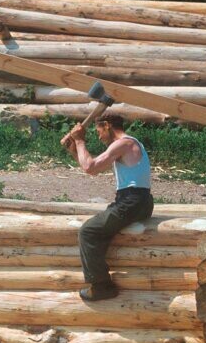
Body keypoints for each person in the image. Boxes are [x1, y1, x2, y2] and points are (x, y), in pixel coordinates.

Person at [61, 113, 153, 301]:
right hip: (137, 200)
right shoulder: (128, 144)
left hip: (132, 200)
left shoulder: (123, 143)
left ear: (107, 126)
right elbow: (89, 166)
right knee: (100, 227)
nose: (98, 136)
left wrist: (80, 140)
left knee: (88, 231)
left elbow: (90, 168)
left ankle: (101, 286)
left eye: (99, 131)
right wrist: (74, 148)